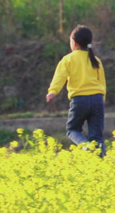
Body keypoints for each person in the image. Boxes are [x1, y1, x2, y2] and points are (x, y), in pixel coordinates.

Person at [46, 25, 107, 155]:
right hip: (97, 100)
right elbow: (102, 82)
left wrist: (53, 91)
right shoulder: (96, 61)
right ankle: (102, 163)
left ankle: (85, 146)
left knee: (72, 130)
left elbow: (60, 77)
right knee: (97, 137)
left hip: (80, 100)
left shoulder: (68, 59)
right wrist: (103, 99)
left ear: (73, 42)